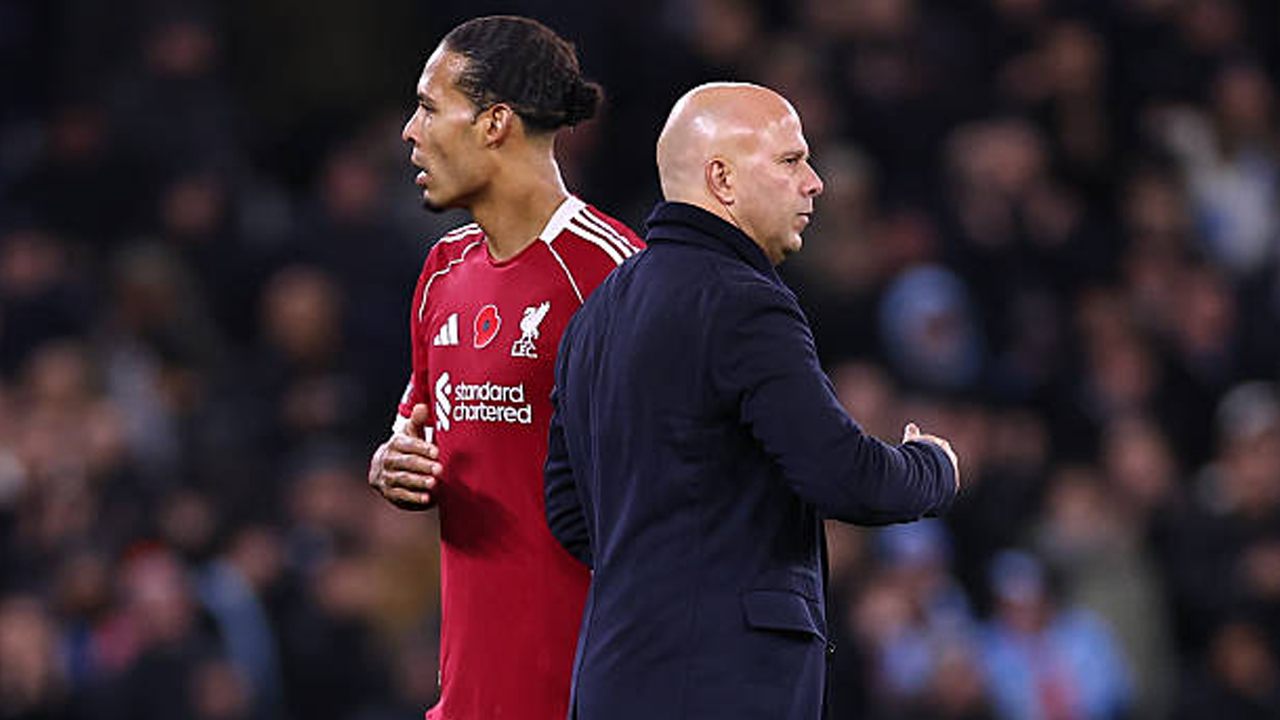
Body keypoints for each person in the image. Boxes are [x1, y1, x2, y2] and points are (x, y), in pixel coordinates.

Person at [544, 82, 960, 720]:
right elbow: (845, 476)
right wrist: (932, 467)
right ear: (723, 179)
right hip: (721, 684)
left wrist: (667, 573)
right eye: (791, 160)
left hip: (610, 676)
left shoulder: (594, 315)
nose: (815, 182)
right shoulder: (743, 301)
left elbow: (570, 513)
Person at [365, 16, 643, 720]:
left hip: (588, 693)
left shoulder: (613, 275)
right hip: (469, 700)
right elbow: (421, 430)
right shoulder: (441, 271)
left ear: (494, 123)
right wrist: (393, 464)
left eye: (429, 108)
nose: (410, 131)